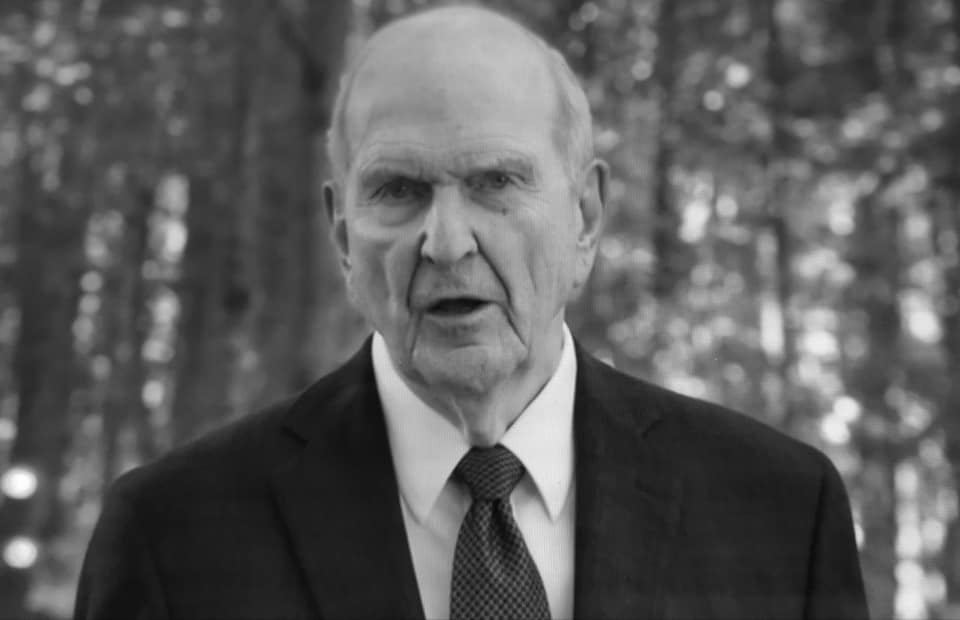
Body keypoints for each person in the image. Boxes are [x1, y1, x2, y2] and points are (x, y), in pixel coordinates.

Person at [74, 5, 869, 620]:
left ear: (585, 218)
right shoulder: (174, 535)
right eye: (398, 190)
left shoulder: (778, 512)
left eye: (496, 182)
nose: (447, 243)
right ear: (343, 237)